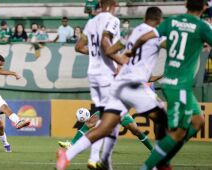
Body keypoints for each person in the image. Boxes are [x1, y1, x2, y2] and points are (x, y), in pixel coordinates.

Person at [57, 5, 168, 170]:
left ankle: (69, 156)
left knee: (105, 126)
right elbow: (173, 46)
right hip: (134, 84)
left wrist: (122, 59)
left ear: (144, 18)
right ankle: (159, 163)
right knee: (162, 118)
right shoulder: (157, 35)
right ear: (159, 21)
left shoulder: (130, 34)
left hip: (118, 84)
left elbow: (108, 50)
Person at [126, 0, 211, 169]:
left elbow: (147, 36)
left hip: (173, 83)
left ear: (186, 4)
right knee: (177, 132)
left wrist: (132, 50)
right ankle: (152, 165)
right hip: (179, 86)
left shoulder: (171, 21)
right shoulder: (202, 27)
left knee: (197, 120)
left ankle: (163, 158)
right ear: (204, 7)